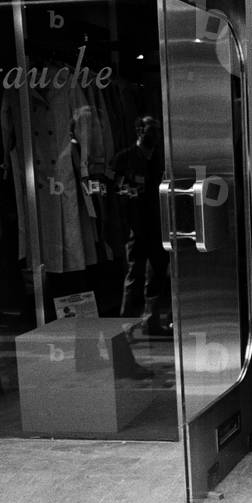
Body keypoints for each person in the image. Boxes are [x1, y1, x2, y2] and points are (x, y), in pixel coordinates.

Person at [112, 115, 171, 337]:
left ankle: (151, 322)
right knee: (134, 277)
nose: (154, 134)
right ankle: (126, 327)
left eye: (156, 129)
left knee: (156, 276)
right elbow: (115, 192)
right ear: (139, 131)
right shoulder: (125, 158)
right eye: (150, 129)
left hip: (157, 227)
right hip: (135, 228)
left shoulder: (159, 160)